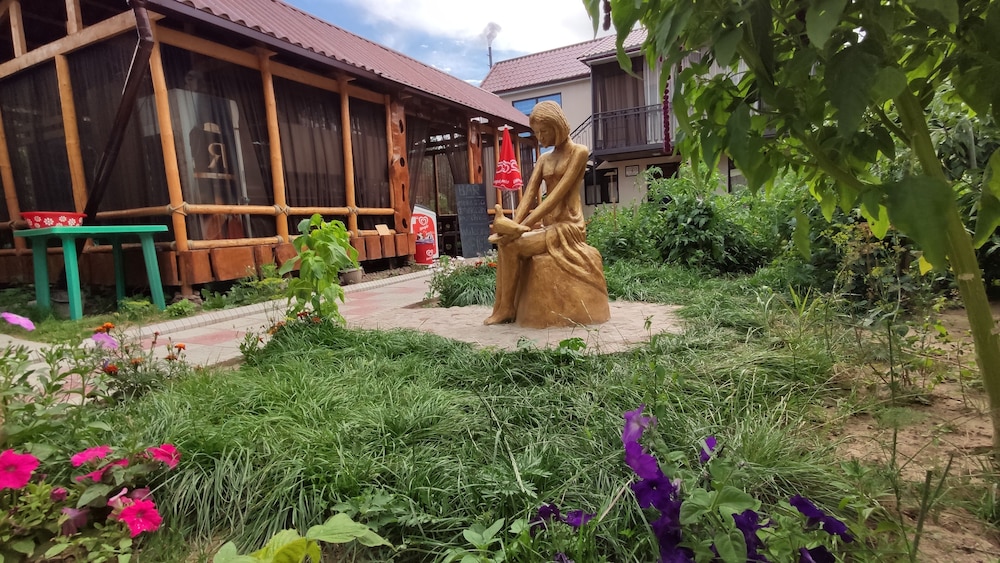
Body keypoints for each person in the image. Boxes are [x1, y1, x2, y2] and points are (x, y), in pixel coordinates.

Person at [484, 101, 607, 325]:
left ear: (557, 127)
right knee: (505, 243)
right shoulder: (544, 159)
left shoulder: (579, 152)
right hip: (547, 226)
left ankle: (507, 308)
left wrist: (521, 227)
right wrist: (511, 226)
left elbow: (555, 197)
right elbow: (529, 195)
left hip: (568, 226)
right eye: (537, 133)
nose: (540, 137)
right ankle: (503, 307)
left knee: (513, 245)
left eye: (544, 131)